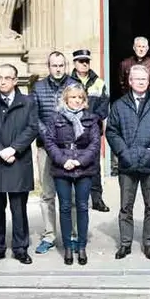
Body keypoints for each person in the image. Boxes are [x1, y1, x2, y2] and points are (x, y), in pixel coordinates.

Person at [106, 65, 150, 260]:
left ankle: (148, 243)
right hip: (127, 163)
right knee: (125, 206)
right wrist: (122, 152)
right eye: (137, 79)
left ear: (149, 80)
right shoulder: (119, 105)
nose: (141, 82)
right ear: (129, 81)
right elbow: (111, 131)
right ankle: (125, 243)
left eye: (144, 79)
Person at [0, 64, 41, 264]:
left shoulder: (28, 102)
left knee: (18, 210)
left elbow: (32, 129)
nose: (3, 81)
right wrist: (0, 151)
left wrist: (13, 149)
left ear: (15, 81)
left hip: (18, 162)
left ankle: (20, 248)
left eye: (7, 78)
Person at [43, 85, 101, 266]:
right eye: (72, 97)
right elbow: (50, 142)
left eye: (79, 98)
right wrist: (62, 160)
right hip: (62, 167)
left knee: (83, 206)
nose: (76, 101)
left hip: (84, 168)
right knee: (65, 207)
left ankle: (81, 245)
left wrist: (80, 161)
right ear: (66, 99)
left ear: (84, 101)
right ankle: (68, 245)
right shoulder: (56, 118)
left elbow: (94, 144)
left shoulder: (91, 119)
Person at [30, 52, 80, 254]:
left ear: (65, 66)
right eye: (54, 65)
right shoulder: (39, 88)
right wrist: (50, 139)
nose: (58, 68)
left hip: (70, 148)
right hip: (45, 148)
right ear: (48, 66)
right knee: (47, 194)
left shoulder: (75, 86)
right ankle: (49, 235)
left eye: (61, 65)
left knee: (73, 196)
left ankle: (74, 235)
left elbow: (81, 113)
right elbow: (34, 117)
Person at [70, 49, 111, 212]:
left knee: (94, 166)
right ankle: (77, 200)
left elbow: (104, 105)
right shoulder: (68, 82)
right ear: (75, 63)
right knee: (73, 164)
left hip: (93, 129)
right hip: (72, 130)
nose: (84, 63)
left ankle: (97, 199)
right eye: (81, 61)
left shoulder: (98, 82)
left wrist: (91, 120)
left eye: (86, 60)